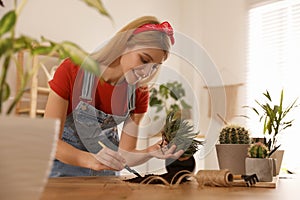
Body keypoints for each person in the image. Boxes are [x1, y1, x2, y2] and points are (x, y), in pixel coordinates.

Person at [44, 16, 184, 177]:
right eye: (144, 60)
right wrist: (90, 160)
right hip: (62, 168)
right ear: (125, 45)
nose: (146, 73)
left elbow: (125, 154)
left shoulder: (139, 93)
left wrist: (150, 152)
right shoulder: (72, 70)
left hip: (105, 173)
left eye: (154, 67)